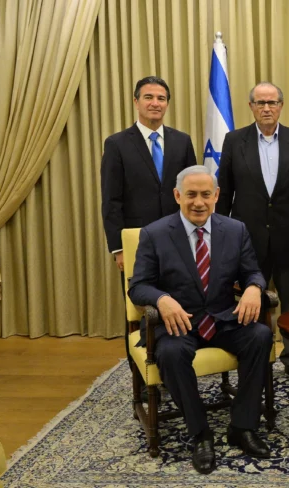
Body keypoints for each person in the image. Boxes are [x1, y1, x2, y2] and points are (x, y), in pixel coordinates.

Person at [128, 166, 273, 474]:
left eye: (206, 194)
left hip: (221, 317)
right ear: (178, 196)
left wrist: (252, 288)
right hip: (177, 322)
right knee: (170, 353)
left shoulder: (236, 230)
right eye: (191, 195)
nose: (198, 202)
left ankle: (242, 426)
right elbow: (138, 286)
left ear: (216, 196)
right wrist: (162, 299)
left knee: (260, 336)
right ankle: (200, 433)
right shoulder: (155, 234)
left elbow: (252, 272)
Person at [216, 82, 289, 386]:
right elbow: (224, 194)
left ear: (281, 106)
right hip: (247, 241)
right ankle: (256, 358)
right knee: (252, 302)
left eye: (272, 102)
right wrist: (221, 235)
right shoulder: (234, 141)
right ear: (250, 107)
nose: (266, 108)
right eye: (260, 103)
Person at [101, 76, 197, 360]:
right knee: (140, 306)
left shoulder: (182, 141)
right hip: (136, 243)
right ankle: (141, 372)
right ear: (136, 102)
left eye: (161, 98)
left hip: (178, 238)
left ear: (167, 104)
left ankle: (175, 363)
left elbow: (192, 194)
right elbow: (111, 200)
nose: (155, 103)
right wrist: (118, 248)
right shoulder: (117, 144)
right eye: (148, 97)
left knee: (178, 300)